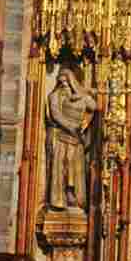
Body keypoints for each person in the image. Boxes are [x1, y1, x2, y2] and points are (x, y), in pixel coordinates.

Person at [46, 68, 98, 211]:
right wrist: (71, 127)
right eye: (61, 83)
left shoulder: (78, 95)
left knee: (74, 169)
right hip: (62, 137)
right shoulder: (55, 96)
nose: (64, 86)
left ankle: (73, 196)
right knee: (62, 168)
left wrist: (82, 92)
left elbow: (94, 106)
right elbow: (56, 115)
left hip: (77, 140)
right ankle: (59, 200)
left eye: (67, 83)